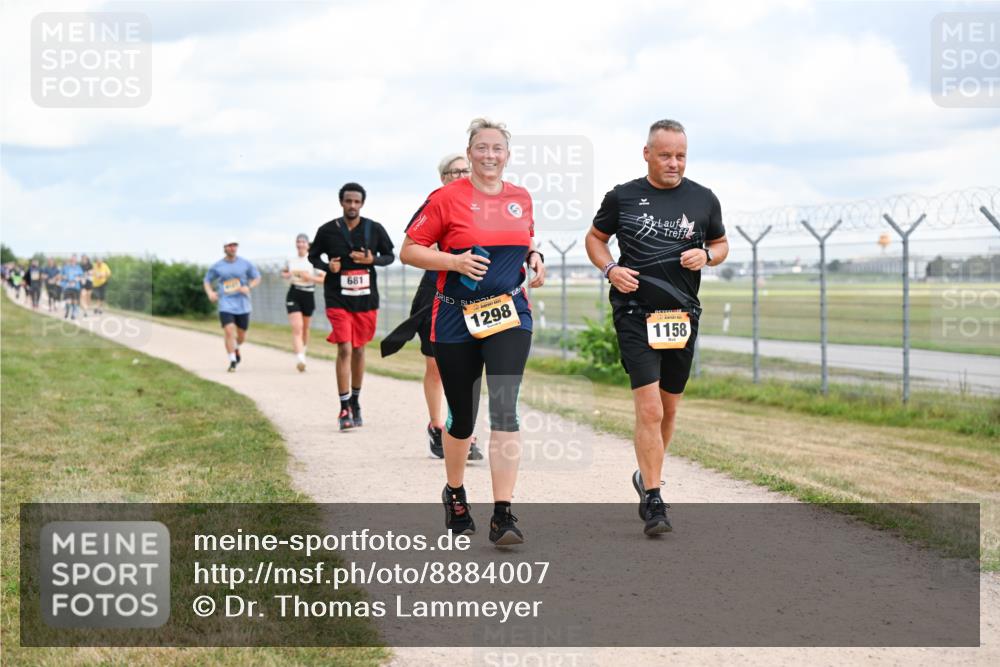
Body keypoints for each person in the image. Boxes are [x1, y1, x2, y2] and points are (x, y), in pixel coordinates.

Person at [400, 118, 546, 546]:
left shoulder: (520, 197)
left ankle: (503, 513)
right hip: (454, 317)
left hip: (509, 313)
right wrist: (455, 262)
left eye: (497, 148)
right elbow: (409, 250)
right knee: (462, 417)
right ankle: (455, 492)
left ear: (508, 155)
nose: (489, 155)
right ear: (469, 153)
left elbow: (526, 236)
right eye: (481, 148)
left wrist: (535, 256)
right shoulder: (445, 198)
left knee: (505, 409)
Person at [585, 119, 729, 536]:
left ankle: (646, 473)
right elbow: (595, 239)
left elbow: (721, 244)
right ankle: (653, 497)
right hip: (635, 313)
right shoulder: (623, 197)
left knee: (669, 409)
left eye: (681, 156)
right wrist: (611, 269)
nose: (674, 163)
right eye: (665, 155)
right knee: (649, 409)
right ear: (647, 154)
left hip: (681, 317)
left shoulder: (704, 198)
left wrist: (707, 256)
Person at [383, 153, 483, 461]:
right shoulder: (436, 203)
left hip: (475, 292)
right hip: (436, 291)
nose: (461, 176)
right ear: (443, 178)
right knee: (436, 366)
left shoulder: (484, 205)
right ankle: (437, 425)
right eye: (454, 172)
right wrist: (443, 252)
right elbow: (413, 247)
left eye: (465, 170)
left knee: (469, 366)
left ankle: (462, 430)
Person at [308, 183, 395, 430]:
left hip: (365, 299)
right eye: (348, 201)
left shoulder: (374, 228)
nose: (352, 205)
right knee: (344, 347)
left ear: (362, 203)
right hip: (337, 298)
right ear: (341, 202)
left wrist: (372, 259)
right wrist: (328, 267)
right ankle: (344, 407)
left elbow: (390, 256)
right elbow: (313, 256)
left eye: (357, 201)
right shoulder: (327, 230)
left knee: (358, 349)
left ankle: (355, 402)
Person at [203, 239, 261, 372]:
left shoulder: (245, 263)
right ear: (224, 248)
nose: (232, 248)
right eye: (229, 245)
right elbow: (207, 280)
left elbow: (257, 277)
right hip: (225, 303)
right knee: (229, 331)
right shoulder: (218, 266)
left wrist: (248, 287)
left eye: (234, 245)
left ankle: (236, 347)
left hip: (243, 304)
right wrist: (210, 292)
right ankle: (232, 360)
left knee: (241, 336)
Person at [281, 233, 326, 372]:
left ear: (307, 244)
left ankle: (303, 352)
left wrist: (309, 277)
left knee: (305, 328)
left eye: (303, 242)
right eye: (298, 242)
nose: (300, 244)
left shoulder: (313, 260)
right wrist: (287, 275)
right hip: (293, 293)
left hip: (308, 294)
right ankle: (300, 359)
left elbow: (323, 279)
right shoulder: (290, 260)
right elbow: (284, 272)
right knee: (297, 328)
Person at [60, 255, 84, 319]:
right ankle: (67, 311)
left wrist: (76, 280)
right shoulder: (66, 267)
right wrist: (64, 277)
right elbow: (61, 275)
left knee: (75, 300)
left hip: (76, 286)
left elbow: (81, 276)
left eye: (74, 259)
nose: (73, 260)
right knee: (68, 300)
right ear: (70, 260)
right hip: (67, 286)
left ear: (76, 260)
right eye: (72, 259)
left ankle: (73, 313)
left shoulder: (78, 268)